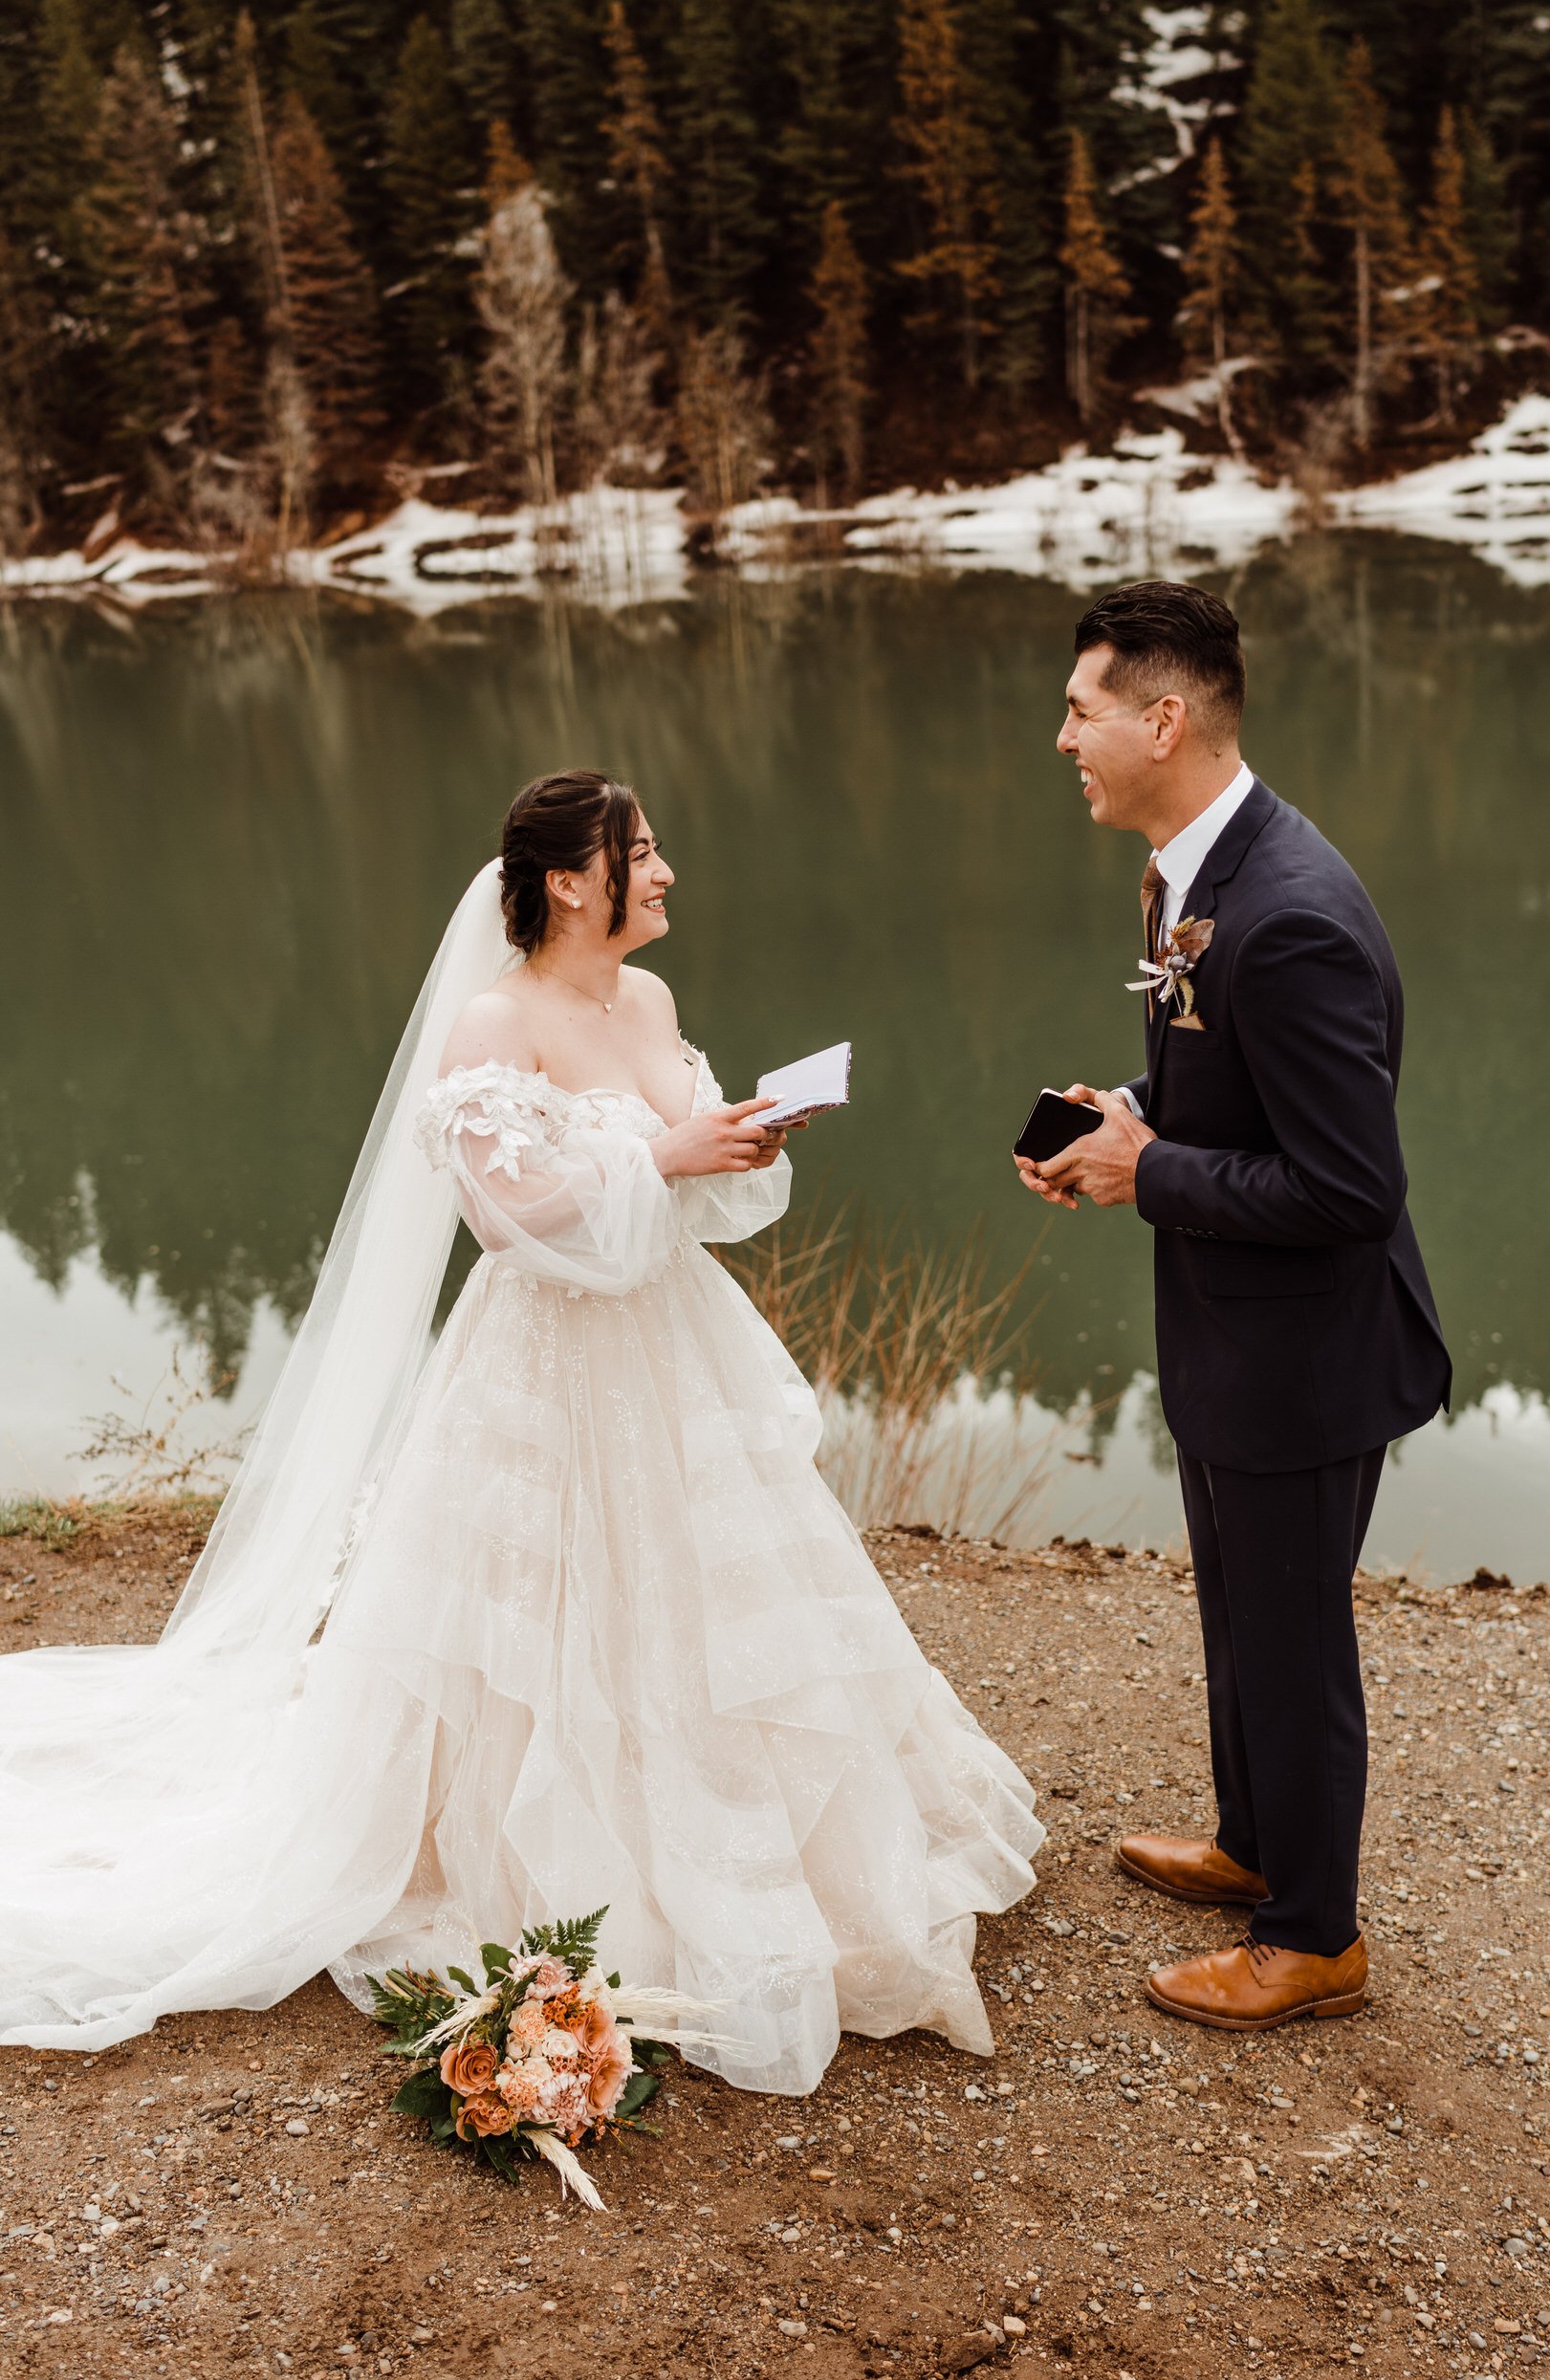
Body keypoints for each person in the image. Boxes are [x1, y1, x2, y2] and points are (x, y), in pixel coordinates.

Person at [0, 770, 1040, 2087]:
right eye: (643, 854)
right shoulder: (494, 1023)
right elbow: (510, 1215)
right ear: (569, 880)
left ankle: (759, 1841)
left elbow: (679, 1174)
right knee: (529, 1618)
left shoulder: (650, 998)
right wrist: (663, 1158)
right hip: (543, 1362)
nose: (665, 874)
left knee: (705, 1602)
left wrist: (740, 1143)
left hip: (671, 1345)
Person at [1015, 580, 1450, 2031]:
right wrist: (1127, 1119)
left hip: (1307, 1354)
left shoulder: (1294, 913)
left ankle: (1315, 1937)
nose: (1062, 736)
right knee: (1242, 1612)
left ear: (1164, 716)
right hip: (1234, 1333)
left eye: (1081, 710)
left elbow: (1351, 1191)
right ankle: (1256, 1849)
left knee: (1292, 1630)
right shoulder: (1196, 869)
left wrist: (1155, 1173)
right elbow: (1236, 1093)